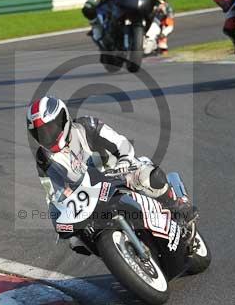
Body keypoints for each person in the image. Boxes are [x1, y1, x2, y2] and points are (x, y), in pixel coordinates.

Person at [26, 96, 197, 239]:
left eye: (49, 128)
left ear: (62, 118)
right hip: (90, 196)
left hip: (118, 173)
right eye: (40, 133)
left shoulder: (86, 126)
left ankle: (177, 206)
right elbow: (52, 194)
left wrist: (124, 161)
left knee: (148, 178)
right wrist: (58, 216)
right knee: (76, 241)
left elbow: (120, 143)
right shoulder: (44, 158)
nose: (46, 136)